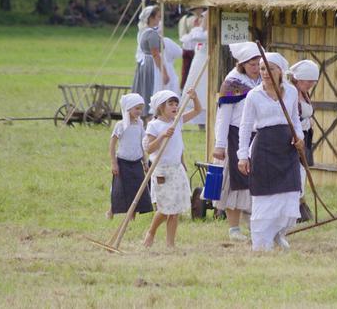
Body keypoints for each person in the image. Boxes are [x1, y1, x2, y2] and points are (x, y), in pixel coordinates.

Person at [237, 52, 305, 251]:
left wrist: (298, 138)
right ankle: (261, 242)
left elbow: (294, 120)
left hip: (287, 147)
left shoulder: (291, 92)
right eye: (263, 68)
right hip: (264, 147)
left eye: (270, 68)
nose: (265, 72)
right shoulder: (254, 95)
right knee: (265, 196)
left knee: (290, 193)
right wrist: (242, 156)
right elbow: (245, 126)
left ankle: (278, 233)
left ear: (280, 71)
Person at [213, 42, 262, 241]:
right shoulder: (232, 82)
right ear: (242, 63)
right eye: (252, 64)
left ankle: (254, 225)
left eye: (259, 63)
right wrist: (220, 144)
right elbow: (223, 117)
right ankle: (234, 229)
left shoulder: (263, 81)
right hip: (235, 135)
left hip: (257, 135)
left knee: (255, 183)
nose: (256, 67)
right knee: (236, 183)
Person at [142, 88, 202, 248]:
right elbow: (149, 149)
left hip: (177, 169)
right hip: (162, 170)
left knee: (175, 210)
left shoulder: (178, 120)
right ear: (161, 107)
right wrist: (162, 136)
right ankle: (151, 232)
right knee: (165, 208)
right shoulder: (154, 125)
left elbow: (197, 110)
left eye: (176, 103)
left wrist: (194, 98)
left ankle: (170, 244)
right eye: (171, 104)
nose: (175, 106)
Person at [107, 93, 152, 219]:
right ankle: (111, 211)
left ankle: (132, 216)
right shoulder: (120, 125)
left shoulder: (140, 124)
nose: (139, 111)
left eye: (141, 108)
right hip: (123, 162)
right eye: (136, 108)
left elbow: (142, 144)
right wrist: (114, 162)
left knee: (137, 188)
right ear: (128, 108)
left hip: (136, 161)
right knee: (120, 189)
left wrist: (145, 162)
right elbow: (112, 145)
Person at [287, 59, 320, 222]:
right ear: (298, 79)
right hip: (292, 138)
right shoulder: (289, 93)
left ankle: (299, 206)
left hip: (305, 136)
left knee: (302, 172)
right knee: (297, 173)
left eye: (313, 82)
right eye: (308, 82)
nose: (311, 85)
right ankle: (295, 207)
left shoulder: (304, 93)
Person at [132, 6, 169, 117]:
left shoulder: (144, 32)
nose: (160, 20)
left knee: (145, 90)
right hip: (151, 65)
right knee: (151, 90)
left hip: (146, 64)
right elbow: (155, 54)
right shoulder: (151, 34)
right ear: (151, 18)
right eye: (158, 17)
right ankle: (149, 115)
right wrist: (164, 73)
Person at [180, 8, 208, 126]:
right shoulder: (199, 32)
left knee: (203, 90)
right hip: (196, 64)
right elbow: (186, 40)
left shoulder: (205, 34)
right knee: (194, 88)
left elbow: (196, 37)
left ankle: (205, 120)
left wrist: (200, 27)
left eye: (203, 18)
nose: (201, 20)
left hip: (204, 65)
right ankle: (197, 120)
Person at [177, 8, 195, 88]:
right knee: (191, 71)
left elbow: (181, 35)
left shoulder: (183, 19)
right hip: (193, 48)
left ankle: (183, 87)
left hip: (185, 47)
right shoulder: (194, 19)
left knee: (185, 70)